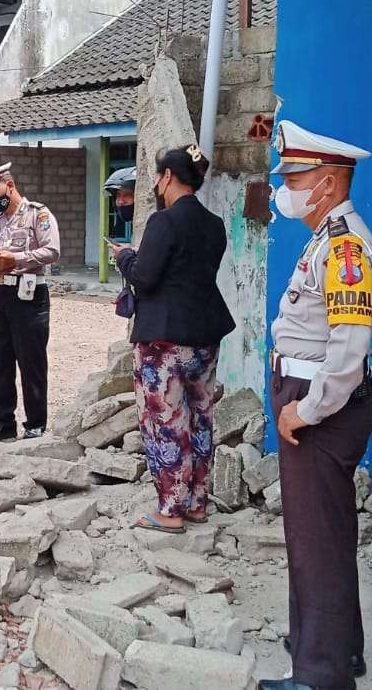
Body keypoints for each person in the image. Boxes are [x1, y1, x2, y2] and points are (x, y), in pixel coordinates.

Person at [259, 120, 372, 690]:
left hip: (319, 407)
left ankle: (320, 674)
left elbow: (349, 350)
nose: (285, 187)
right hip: (312, 397)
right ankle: (330, 645)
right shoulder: (325, 237)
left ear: (328, 185)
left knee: (316, 540)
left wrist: (305, 411)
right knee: (322, 533)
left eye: (295, 176)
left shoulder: (346, 247)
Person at [106, 146, 234, 535]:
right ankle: (196, 504)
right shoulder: (214, 223)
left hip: (163, 340)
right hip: (205, 335)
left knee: (165, 421)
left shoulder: (164, 222)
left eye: (157, 177)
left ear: (166, 177)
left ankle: (170, 509)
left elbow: (145, 278)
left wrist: (125, 257)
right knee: (200, 417)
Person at [0, 163, 61, 442]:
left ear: (9, 185)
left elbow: (52, 250)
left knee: (31, 361)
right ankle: (3, 424)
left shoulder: (38, 214)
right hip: (0, 292)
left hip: (29, 293)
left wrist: (16, 259)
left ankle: (35, 423)